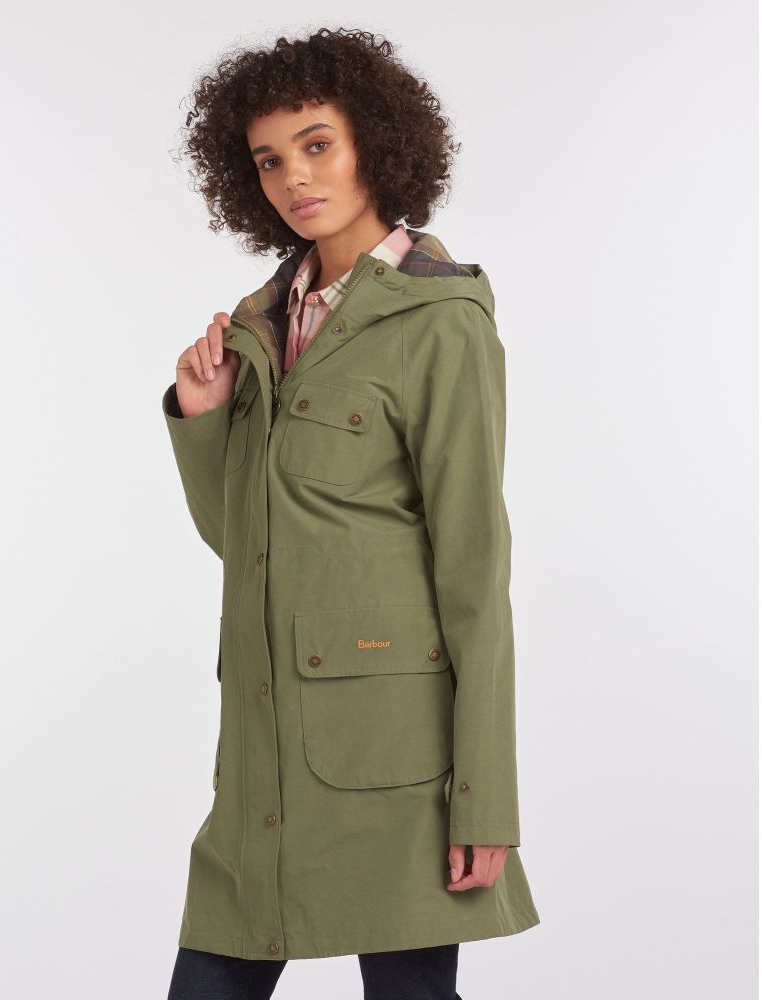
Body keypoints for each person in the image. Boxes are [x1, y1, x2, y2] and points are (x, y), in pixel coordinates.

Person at [161, 27, 540, 1000]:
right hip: (265, 759)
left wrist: (484, 798)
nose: (293, 176)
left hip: (399, 767)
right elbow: (241, 540)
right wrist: (203, 419)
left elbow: (475, 572)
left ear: (376, 137)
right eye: (268, 159)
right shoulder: (263, 324)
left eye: (317, 143)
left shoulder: (439, 321)